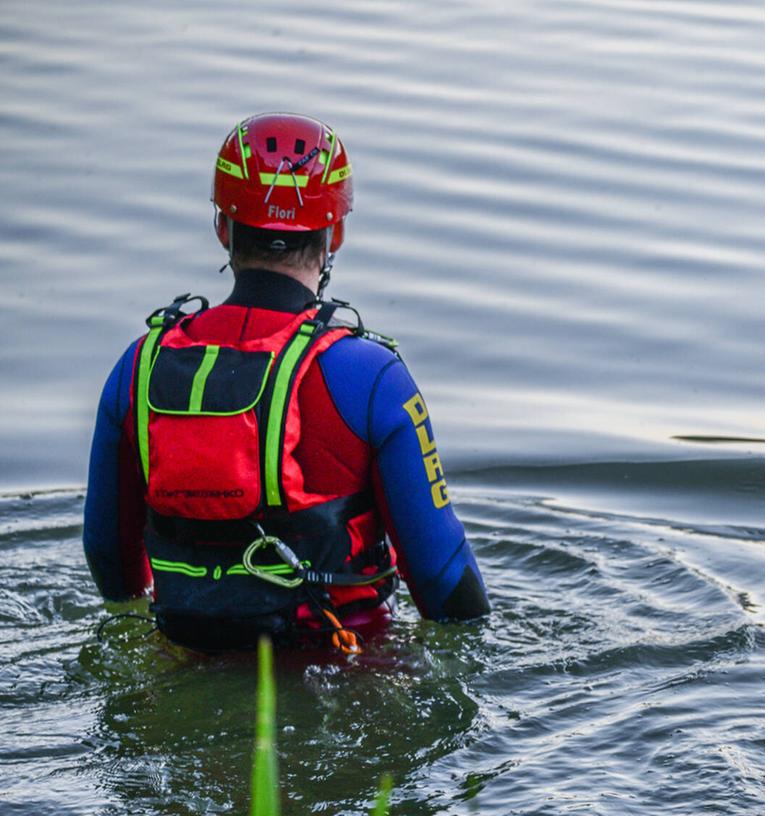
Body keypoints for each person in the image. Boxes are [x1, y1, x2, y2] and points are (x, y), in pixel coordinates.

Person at [83, 112, 490, 653]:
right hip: (341, 672)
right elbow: (443, 580)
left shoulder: (138, 366)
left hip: (187, 655)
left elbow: (108, 556)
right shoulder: (371, 377)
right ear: (335, 233)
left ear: (223, 228)